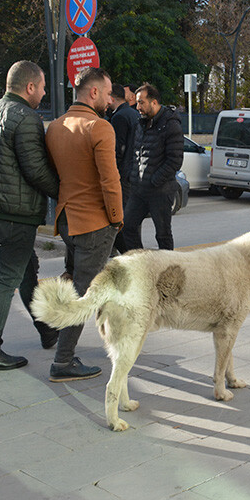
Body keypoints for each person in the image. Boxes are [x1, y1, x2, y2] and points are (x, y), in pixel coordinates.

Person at [0, 61, 60, 372]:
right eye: (43, 87)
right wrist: (65, 193)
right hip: (14, 213)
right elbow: (36, 170)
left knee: (26, 268)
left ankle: (47, 330)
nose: (44, 92)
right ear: (29, 87)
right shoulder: (25, 118)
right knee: (5, 280)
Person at [45, 67, 123, 382]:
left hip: (67, 220)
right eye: (106, 93)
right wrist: (117, 218)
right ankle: (63, 362)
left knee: (88, 283)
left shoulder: (55, 127)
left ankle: (117, 335)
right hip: (94, 222)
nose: (109, 99)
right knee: (85, 294)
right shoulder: (99, 127)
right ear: (93, 93)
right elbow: (110, 180)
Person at [123, 82, 183, 251]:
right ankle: (140, 264)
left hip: (160, 191)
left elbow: (175, 160)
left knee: (162, 234)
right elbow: (132, 151)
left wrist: (154, 180)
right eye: (137, 102)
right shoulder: (140, 123)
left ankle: (168, 269)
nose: (138, 106)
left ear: (154, 102)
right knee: (128, 227)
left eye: (141, 102)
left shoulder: (171, 124)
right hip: (138, 190)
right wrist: (130, 174)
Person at [107, 83, 140, 254]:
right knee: (132, 221)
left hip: (123, 175)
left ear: (111, 98)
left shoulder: (118, 117)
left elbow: (118, 149)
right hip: (134, 174)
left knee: (121, 221)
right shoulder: (134, 114)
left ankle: (131, 255)